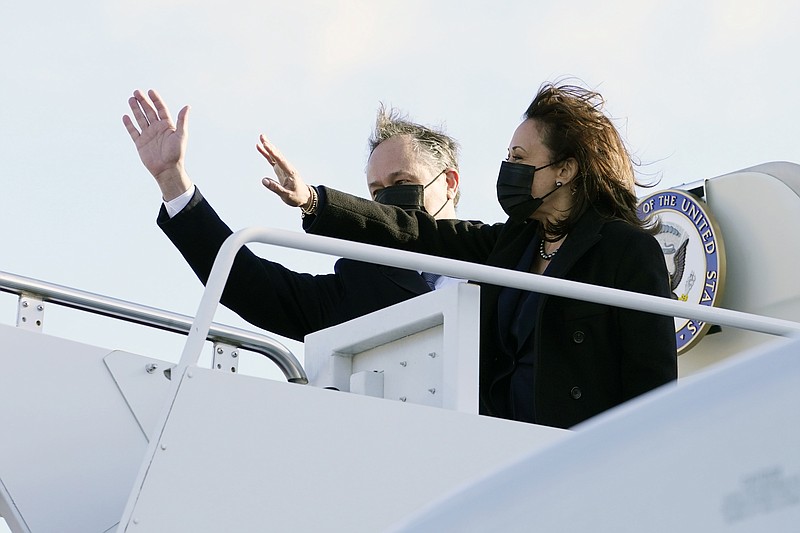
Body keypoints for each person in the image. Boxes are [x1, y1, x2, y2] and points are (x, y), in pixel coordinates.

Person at [259, 82, 678, 429]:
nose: (507, 168)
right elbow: (416, 231)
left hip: (578, 454)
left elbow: (651, 382)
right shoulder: (513, 243)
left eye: (519, 158)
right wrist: (313, 201)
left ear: (564, 170)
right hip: (499, 448)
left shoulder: (624, 249)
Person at [122, 89, 462, 342]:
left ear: (448, 182)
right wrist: (171, 179)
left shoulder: (501, 256)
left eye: (402, 182)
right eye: (376, 192)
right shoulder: (362, 278)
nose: (388, 198)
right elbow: (252, 287)